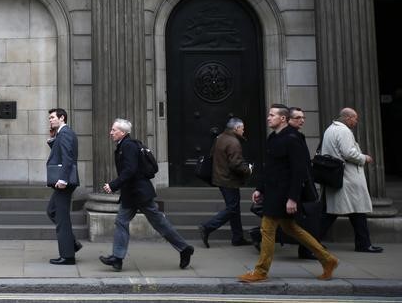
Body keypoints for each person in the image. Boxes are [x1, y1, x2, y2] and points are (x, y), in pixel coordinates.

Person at [238, 105, 338, 283]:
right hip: (273, 191)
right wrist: (260, 188)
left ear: (282, 118)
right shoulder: (273, 138)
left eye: (272, 115)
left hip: (284, 194)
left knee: (267, 229)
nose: (268, 118)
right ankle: (327, 259)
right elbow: (269, 168)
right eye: (268, 114)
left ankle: (261, 271)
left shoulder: (293, 138)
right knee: (291, 228)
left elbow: (299, 170)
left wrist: (293, 198)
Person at [100, 118, 194, 271]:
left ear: (122, 132)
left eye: (114, 130)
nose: (111, 133)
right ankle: (117, 259)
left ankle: (184, 248)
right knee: (121, 222)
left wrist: (113, 185)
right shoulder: (124, 145)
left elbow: (130, 170)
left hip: (139, 193)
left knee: (159, 223)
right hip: (132, 193)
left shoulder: (128, 146)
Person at [318, 107, 383, 253]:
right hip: (348, 178)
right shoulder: (343, 131)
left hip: (340, 178)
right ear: (348, 118)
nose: (356, 121)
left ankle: (364, 243)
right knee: (335, 213)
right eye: (355, 118)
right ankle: (311, 242)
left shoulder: (330, 129)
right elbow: (348, 153)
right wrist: (364, 158)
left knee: (354, 212)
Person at [199, 117, 252, 248]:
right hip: (229, 180)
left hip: (221, 178)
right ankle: (207, 227)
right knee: (232, 208)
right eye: (242, 128)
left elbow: (213, 155)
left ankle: (237, 237)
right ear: (236, 128)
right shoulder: (233, 142)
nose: (243, 131)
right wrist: (248, 170)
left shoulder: (221, 137)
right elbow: (236, 164)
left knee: (234, 207)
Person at [46, 108, 81, 265]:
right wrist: (52, 141)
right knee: (52, 211)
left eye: (53, 117)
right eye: (49, 118)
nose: (50, 120)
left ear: (62, 118)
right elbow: (60, 154)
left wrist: (63, 179)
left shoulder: (65, 132)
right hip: (63, 181)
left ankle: (67, 256)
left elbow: (67, 158)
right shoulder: (61, 133)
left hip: (64, 183)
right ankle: (72, 243)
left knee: (62, 218)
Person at [288, 107, 320, 260]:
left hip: (301, 184)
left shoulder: (298, 136)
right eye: (298, 117)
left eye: (303, 117)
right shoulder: (292, 137)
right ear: (288, 119)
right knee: (303, 221)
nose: (302, 120)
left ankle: (309, 249)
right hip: (298, 186)